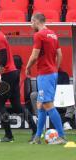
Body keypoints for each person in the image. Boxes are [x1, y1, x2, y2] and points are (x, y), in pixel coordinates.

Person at [0, 12, 37, 142]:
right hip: (12, 73)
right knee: (17, 105)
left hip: (8, 74)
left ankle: (9, 135)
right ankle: (35, 131)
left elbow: (4, 60)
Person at [26, 13, 66, 144]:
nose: (31, 25)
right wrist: (55, 68)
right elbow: (59, 54)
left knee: (47, 104)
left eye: (31, 23)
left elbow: (34, 55)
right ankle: (38, 137)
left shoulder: (39, 35)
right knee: (40, 105)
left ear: (35, 21)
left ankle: (61, 136)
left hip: (45, 74)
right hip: (51, 73)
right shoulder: (53, 34)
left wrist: (27, 67)